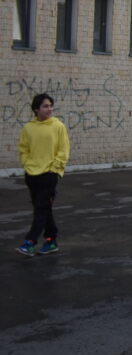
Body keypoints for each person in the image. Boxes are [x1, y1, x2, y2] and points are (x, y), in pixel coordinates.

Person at [16, 93, 70, 256]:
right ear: (36, 109)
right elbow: (23, 148)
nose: (49, 109)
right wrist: (26, 164)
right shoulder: (28, 128)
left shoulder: (58, 126)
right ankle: (51, 240)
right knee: (43, 209)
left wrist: (55, 168)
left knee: (41, 209)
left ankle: (30, 242)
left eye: (51, 106)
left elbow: (63, 150)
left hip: (49, 175)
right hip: (32, 175)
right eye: (45, 106)